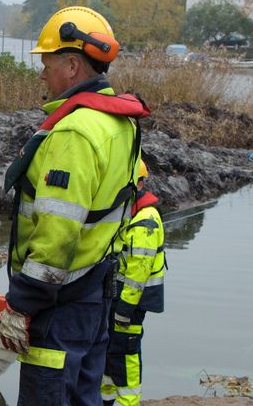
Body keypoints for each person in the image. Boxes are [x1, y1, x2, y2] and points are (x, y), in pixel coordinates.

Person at [0, 6, 149, 406]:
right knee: (85, 396)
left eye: (47, 63)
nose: (41, 73)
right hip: (95, 292)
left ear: (70, 65)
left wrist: (20, 303)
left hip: (58, 304)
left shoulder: (74, 132)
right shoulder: (120, 124)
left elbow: (58, 230)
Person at [100, 161, 166, 406]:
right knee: (109, 352)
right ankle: (104, 400)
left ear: (138, 183)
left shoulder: (145, 220)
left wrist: (125, 309)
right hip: (119, 298)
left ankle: (129, 402)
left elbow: (139, 272)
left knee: (125, 353)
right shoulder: (131, 211)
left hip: (131, 303)